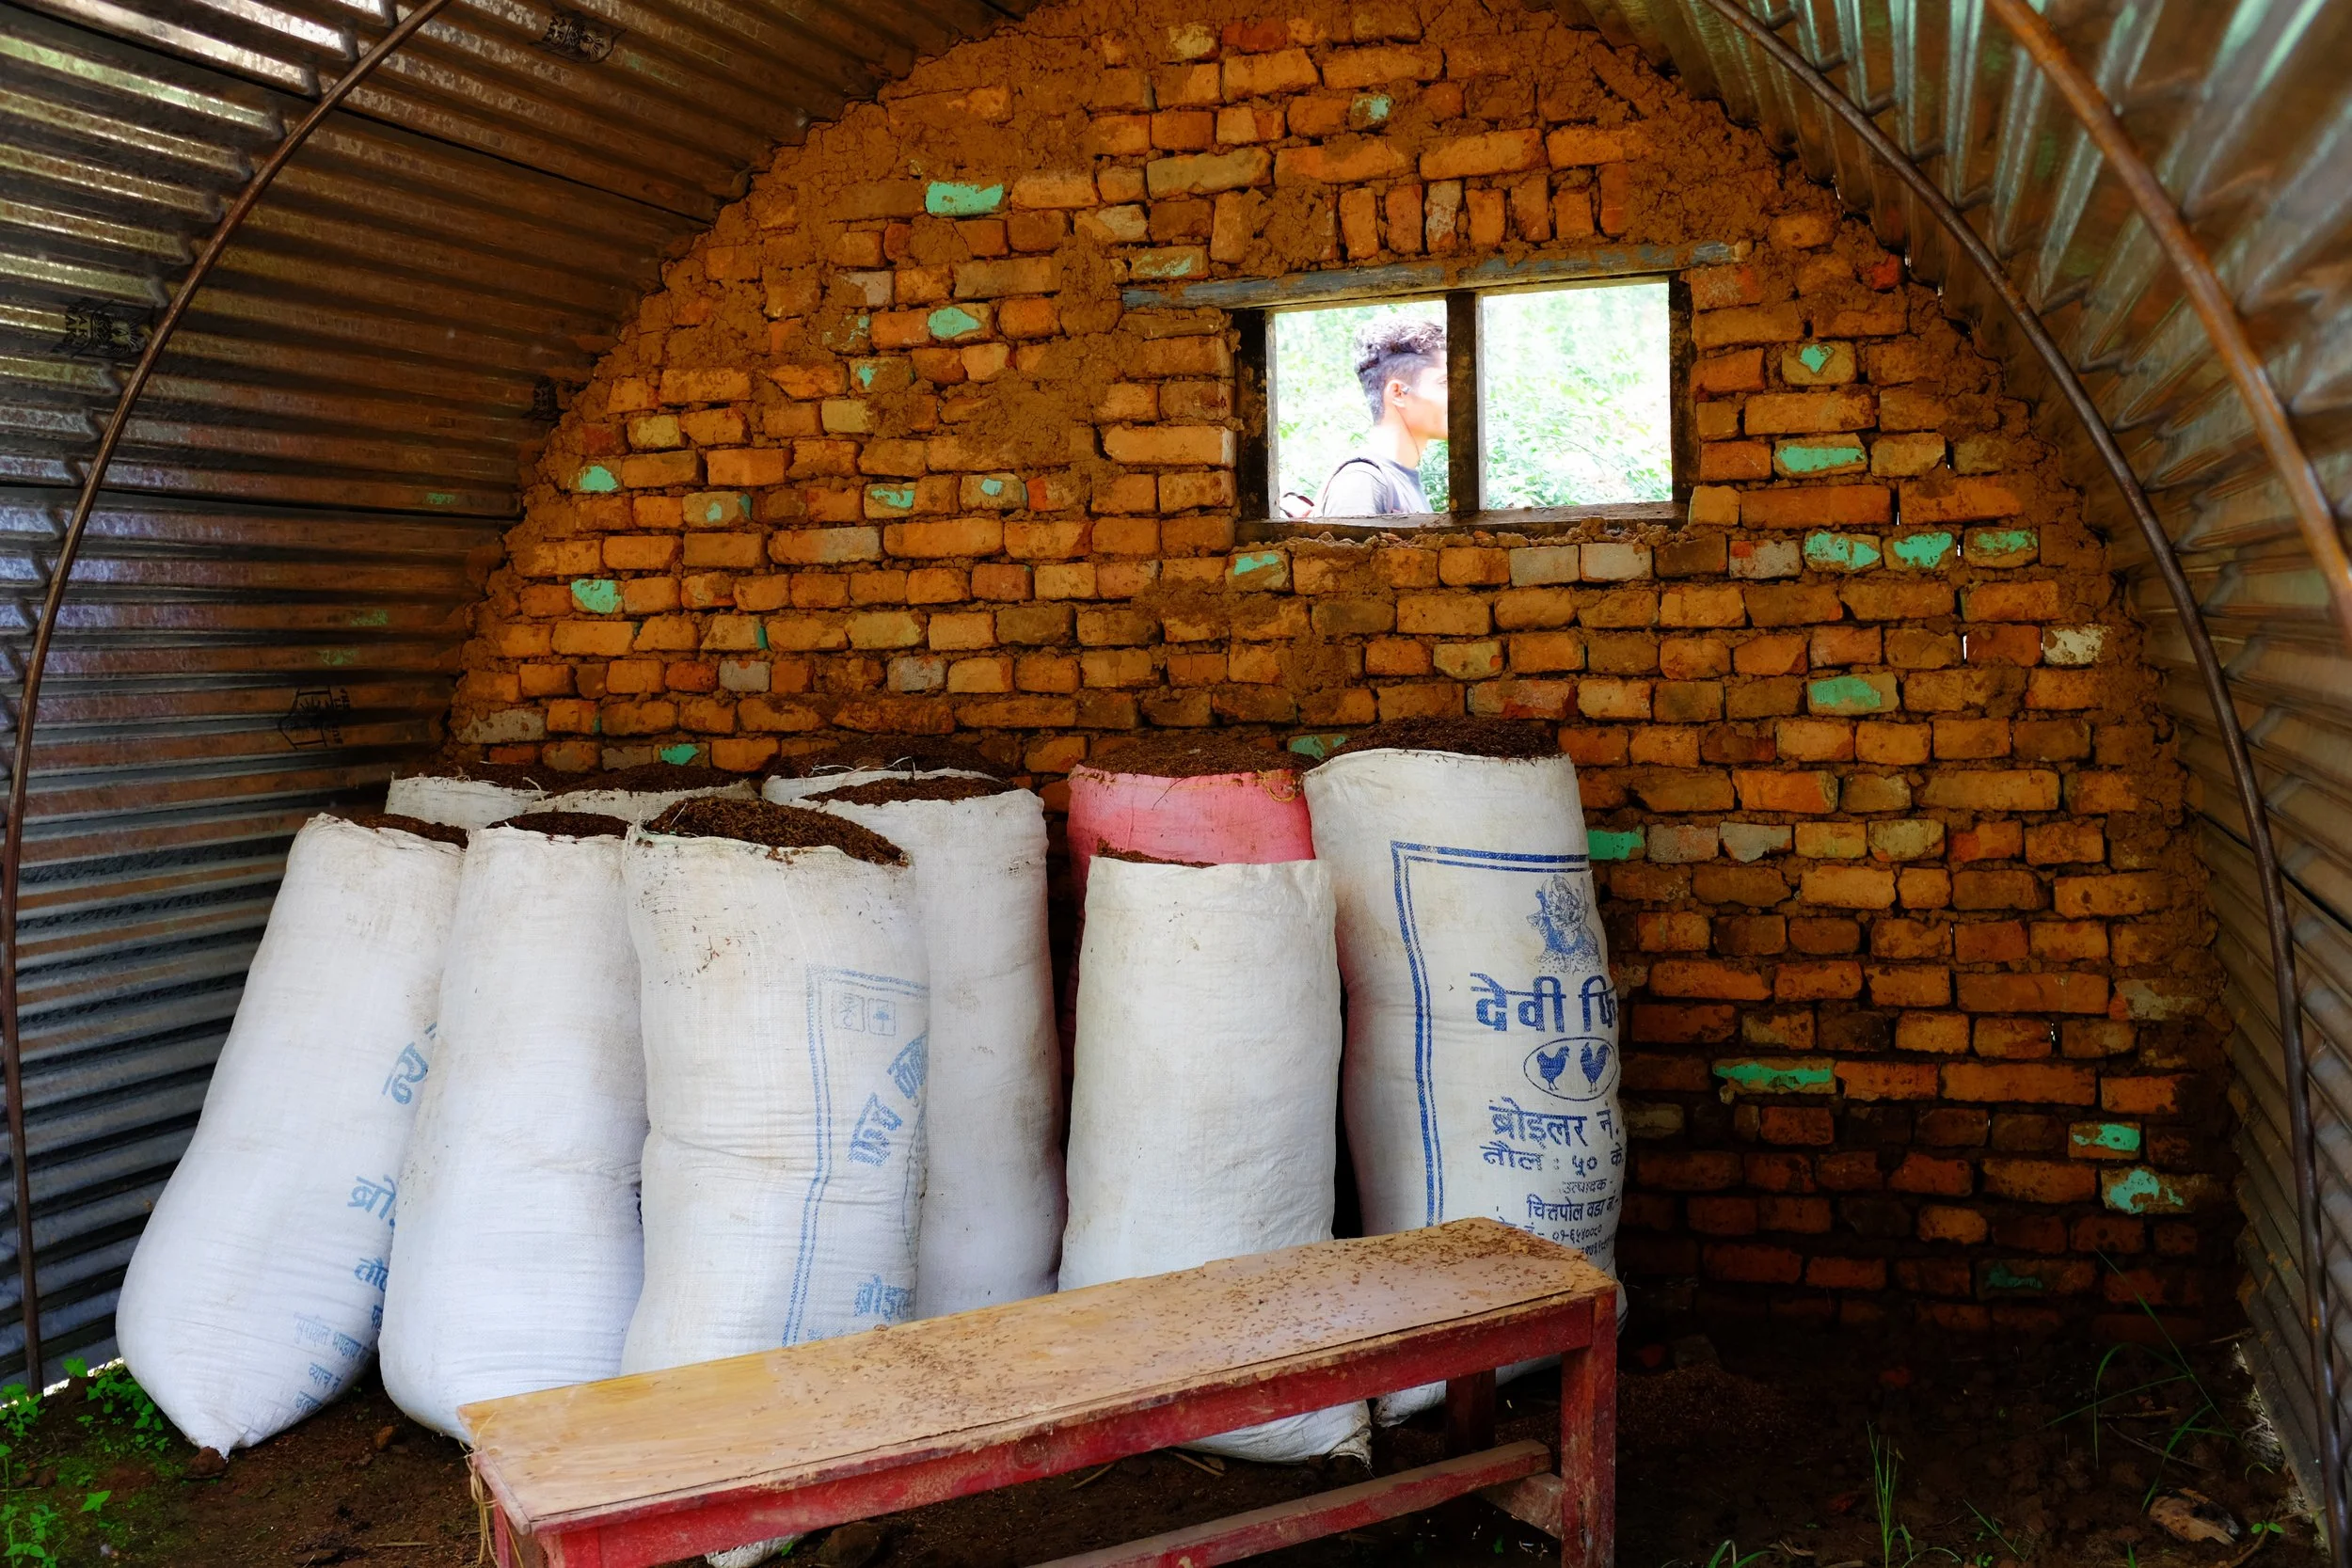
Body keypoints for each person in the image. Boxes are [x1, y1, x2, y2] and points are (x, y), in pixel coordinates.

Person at [1316, 317, 1447, 518]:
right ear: (1398, 393)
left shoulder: (1402, 480)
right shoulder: (1362, 482)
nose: (1462, 395)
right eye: (1445, 383)